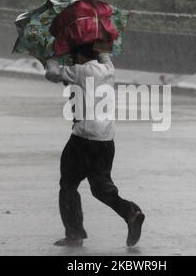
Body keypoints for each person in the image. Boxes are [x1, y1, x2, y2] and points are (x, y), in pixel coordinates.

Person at [43, 43, 145, 248]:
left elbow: (52, 73)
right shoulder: (108, 69)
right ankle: (130, 212)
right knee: (102, 189)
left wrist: (50, 56)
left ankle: (74, 234)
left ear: (79, 55)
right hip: (106, 139)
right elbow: (104, 55)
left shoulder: (80, 71)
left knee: (68, 184)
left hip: (84, 138)